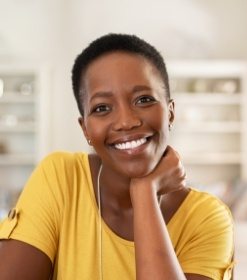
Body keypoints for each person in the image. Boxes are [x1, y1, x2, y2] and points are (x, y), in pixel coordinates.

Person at [0, 34, 234, 280]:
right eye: (102, 108)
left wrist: (145, 192)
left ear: (171, 113)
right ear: (86, 129)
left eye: (144, 100)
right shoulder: (60, 177)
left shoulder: (207, 218)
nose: (126, 121)